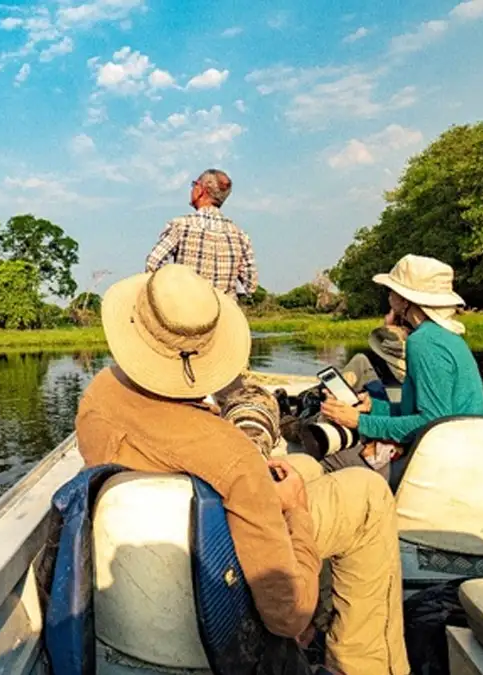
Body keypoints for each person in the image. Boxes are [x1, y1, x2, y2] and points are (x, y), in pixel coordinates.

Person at [76, 263, 409, 675]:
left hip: (175, 542)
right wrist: (297, 512)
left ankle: (322, 618)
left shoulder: (99, 395)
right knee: (367, 493)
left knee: (304, 464)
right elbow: (286, 612)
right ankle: (363, 664)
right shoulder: (232, 456)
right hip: (219, 570)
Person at [321, 254, 483, 473]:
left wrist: (359, 422)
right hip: (466, 450)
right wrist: (373, 407)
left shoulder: (423, 342)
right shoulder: (447, 336)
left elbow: (432, 423)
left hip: (448, 464)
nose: (389, 295)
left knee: (329, 459)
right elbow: (422, 410)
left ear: (405, 300)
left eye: (392, 290)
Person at [145, 169, 258, 301]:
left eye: (194, 185)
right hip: (224, 312)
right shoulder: (240, 235)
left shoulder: (181, 226)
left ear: (201, 190)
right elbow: (251, 285)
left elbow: (153, 263)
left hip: (187, 307)